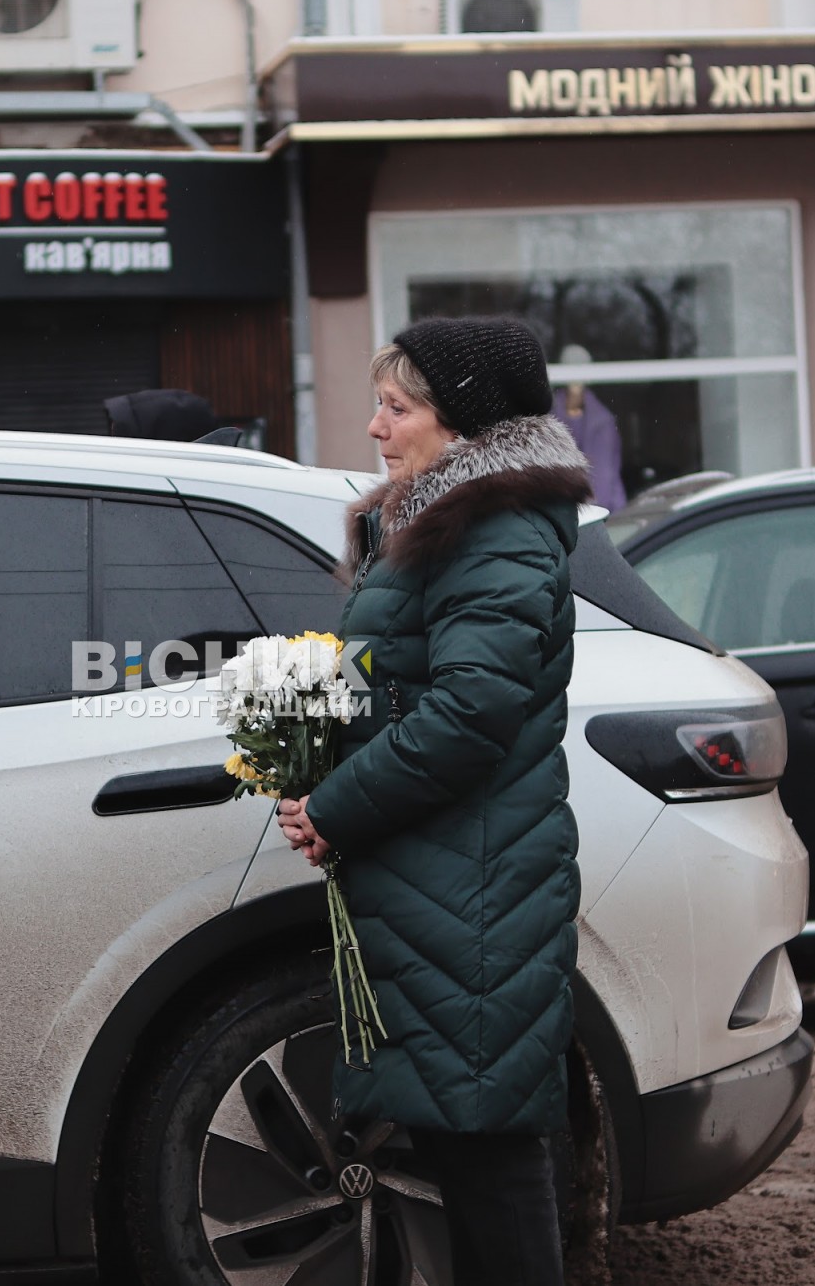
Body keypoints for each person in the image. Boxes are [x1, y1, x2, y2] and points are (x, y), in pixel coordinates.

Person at [279, 316, 591, 1286]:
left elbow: (466, 714)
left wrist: (336, 804)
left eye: (396, 406)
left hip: (473, 887)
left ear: (464, 424)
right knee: (468, 1141)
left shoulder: (489, 528)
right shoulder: (444, 519)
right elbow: (413, 686)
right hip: (447, 879)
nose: (374, 427)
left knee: (488, 1148)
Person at [551, 343, 627, 511]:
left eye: (581, 370)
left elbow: (610, 475)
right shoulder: (549, 419)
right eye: (571, 370)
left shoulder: (603, 422)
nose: (576, 380)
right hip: (561, 514)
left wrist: (616, 513)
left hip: (600, 514)